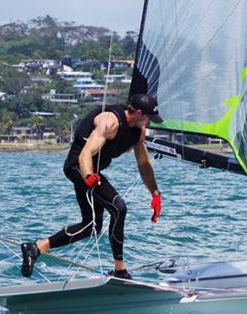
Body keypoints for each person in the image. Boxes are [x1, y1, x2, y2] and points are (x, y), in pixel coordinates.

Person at [20, 94, 164, 280]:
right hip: (78, 167)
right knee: (119, 208)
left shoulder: (138, 131)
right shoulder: (110, 121)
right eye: (148, 118)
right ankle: (120, 270)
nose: (150, 123)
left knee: (91, 226)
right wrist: (88, 176)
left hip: (92, 173)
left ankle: (35, 248)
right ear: (137, 113)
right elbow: (85, 154)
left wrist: (155, 193)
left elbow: (144, 164)